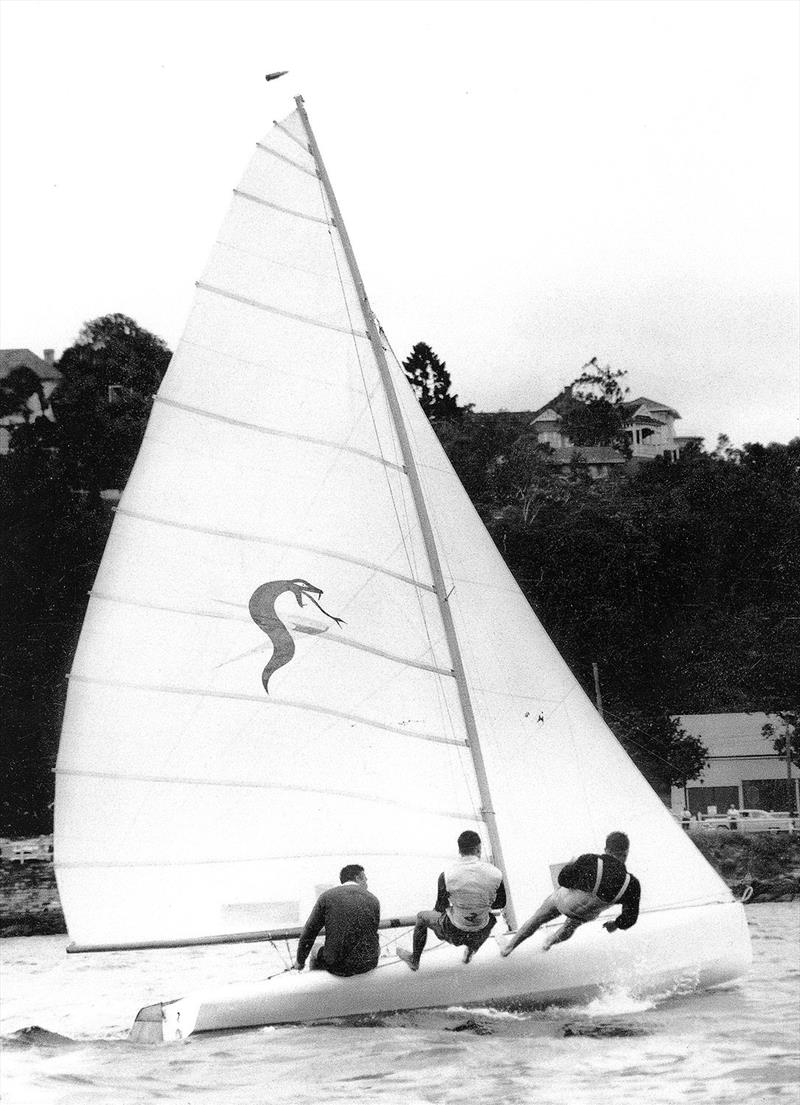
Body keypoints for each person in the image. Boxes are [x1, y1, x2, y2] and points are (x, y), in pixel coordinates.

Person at [500, 831, 640, 956]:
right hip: (585, 915)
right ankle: (549, 942)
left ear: (606, 849)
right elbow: (630, 918)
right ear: (626, 853)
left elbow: (563, 880)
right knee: (570, 926)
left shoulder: (590, 860)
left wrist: (570, 865)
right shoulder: (631, 884)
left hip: (565, 903)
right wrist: (615, 924)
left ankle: (508, 947)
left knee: (539, 918)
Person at [397, 830, 506, 970]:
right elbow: (500, 903)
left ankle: (414, 960)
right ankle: (471, 949)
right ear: (479, 849)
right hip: (481, 931)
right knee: (489, 918)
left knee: (421, 917)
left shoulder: (446, 874)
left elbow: (440, 907)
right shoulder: (496, 874)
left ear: (460, 851)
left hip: (456, 932)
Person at [295, 864, 380, 976]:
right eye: (365, 879)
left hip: (338, 966)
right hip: (368, 964)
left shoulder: (326, 897)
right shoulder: (373, 899)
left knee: (315, 948)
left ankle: (318, 984)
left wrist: (300, 961)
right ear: (357, 878)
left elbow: (310, 931)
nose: (366, 883)